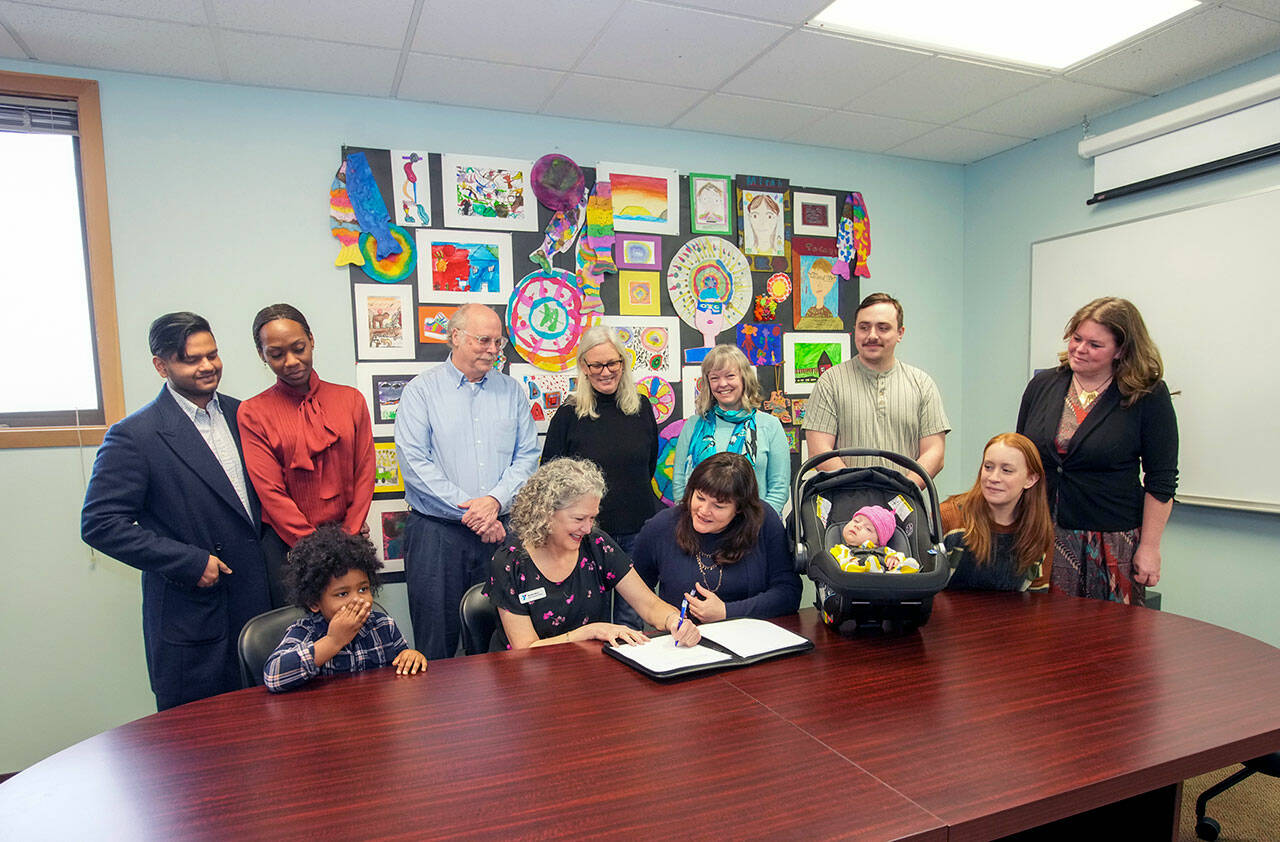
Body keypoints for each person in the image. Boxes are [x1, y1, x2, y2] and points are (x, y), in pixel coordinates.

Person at [81, 312, 272, 710]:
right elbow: (100, 524)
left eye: (213, 355)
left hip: (260, 607)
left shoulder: (246, 415)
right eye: (191, 359)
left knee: (271, 738)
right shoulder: (135, 435)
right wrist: (187, 561)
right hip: (195, 616)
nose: (207, 366)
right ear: (161, 365)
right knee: (197, 753)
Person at [395, 303, 540, 659]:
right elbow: (415, 465)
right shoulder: (421, 392)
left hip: (503, 531)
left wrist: (492, 504)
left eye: (499, 342)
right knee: (436, 643)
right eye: (484, 341)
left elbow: (527, 458)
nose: (493, 350)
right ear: (455, 337)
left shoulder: (512, 392)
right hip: (436, 535)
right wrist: (475, 514)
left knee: (506, 639)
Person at [1017, 297, 1177, 604]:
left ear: (1121, 350)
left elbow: (1162, 479)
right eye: (1077, 338)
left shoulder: (1147, 395)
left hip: (1109, 543)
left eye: (1094, 344)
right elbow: (1021, 454)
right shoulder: (1044, 385)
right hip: (1041, 535)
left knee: (1107, 643)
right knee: (1038, 638)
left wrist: (1150, 547)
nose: (1080, 349)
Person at [238, 303, 375, 607]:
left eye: (298, 348)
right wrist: (314, 549)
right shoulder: (253, 412)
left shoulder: (350, 400)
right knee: (298, 641)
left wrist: (347, 538)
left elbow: (365, 473)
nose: (291, 361)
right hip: (288, 548)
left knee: (355, 634)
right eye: (276, 354)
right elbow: (270, 492)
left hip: (349, 540)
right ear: (262, 355)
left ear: (311, 340)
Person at [485, 458, 702, 649]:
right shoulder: (510, 563)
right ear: (546, 514)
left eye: (592, 518)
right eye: (579, 519)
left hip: (585, 669)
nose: (588, 528)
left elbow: (649, 604)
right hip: (524, 678)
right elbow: (526, 648)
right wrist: (589, 632)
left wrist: (675, 620)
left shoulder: (597, 545)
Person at [804, 292, 950, 487]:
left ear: (900, 333)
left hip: (904, 504)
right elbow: (819, 452)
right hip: (846, 503)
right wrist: (859, 491)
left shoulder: (922, 384)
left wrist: (902, 493)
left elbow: (935, 453)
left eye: (883, 328)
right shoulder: (830, 382)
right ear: (855, 329)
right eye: (864, 327)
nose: (872, 335)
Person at [633, 453, 800, 622]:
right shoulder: (661, 526)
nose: (703, 511)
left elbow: (789, 593)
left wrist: (726, 612)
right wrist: (668, 620)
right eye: (699, 497)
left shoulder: (763, 521)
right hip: (683, 642)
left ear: (740, 508)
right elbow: (635, 592)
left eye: (718, 506)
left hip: (751, 638)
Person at [263, 525, 426, 692]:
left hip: (373, 711)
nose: (357, 600)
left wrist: (412, 656)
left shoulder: (384, 625)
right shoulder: (305, 631)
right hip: (328, 714)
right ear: (314, 602)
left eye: (363, 589)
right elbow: (273, 677)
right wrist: (333, 641)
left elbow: (404, 660)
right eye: (342, 594)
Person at [673, 344, 790, 515]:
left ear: (744, 378)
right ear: (707, 383)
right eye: (714, 378)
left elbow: (779, 488)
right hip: (701, 525)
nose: (722, 384)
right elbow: (679, 484)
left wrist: (755, 524)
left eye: (730, 376)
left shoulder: (770, 425)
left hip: (754, 528)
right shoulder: (693, 425)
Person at [940, 433, 1054, 592]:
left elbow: (1036, 603)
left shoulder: (1039, 532)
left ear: (1031, 479)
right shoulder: (948, 518)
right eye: (988, 467)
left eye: (1006, 470)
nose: (993, 477)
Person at [829, 505, 920, 574]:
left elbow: (899, 555)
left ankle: (901, 571)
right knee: (848, 567)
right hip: (856, 579)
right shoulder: (840, 549)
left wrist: (895, 559)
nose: (858, 526)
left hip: (886, 580)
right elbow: (837, 562)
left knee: (904, 564)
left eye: (868, 529)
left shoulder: (884, 550)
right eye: (856, 521)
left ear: (878, 542)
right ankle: (870, 570)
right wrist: (850, 560)